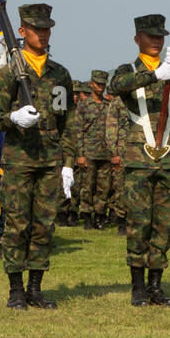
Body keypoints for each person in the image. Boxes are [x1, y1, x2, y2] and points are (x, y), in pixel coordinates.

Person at [108, 14, 170, 307]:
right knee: (139, 223)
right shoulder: (128, 70)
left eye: (160, 36)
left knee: (164, 225)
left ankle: (156, 286)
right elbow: (115, 86)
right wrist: (154, 75)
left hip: (168, 156)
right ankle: (138, 287)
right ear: (137, 38)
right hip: (138, 158)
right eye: (150, 36)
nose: (156, 41)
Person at [0, 3, 75, 310]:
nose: (43, 34)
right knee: (16, 225)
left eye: (47, 28)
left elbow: (68, 120)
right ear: (22, 32)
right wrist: (13, 117)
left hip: (50, 161)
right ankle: (15, 290)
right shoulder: (8, 73)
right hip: (20, 159)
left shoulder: (59, 74)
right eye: (37, 29)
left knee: (43, 225)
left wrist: (68, 164)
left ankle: (36, 288)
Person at [73, 70, 116, 230]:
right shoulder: (84, 106)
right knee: (87, 186)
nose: (100, 87)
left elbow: (113, 130)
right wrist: (81, 155)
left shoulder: (108, 106)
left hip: (105, 153)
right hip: (89, 153)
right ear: (91, 84)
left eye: (103, 84)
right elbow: (78, 131)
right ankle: (87, 217)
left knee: (103, 188)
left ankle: (99, 216)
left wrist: (114, 153)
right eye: (98, 84)